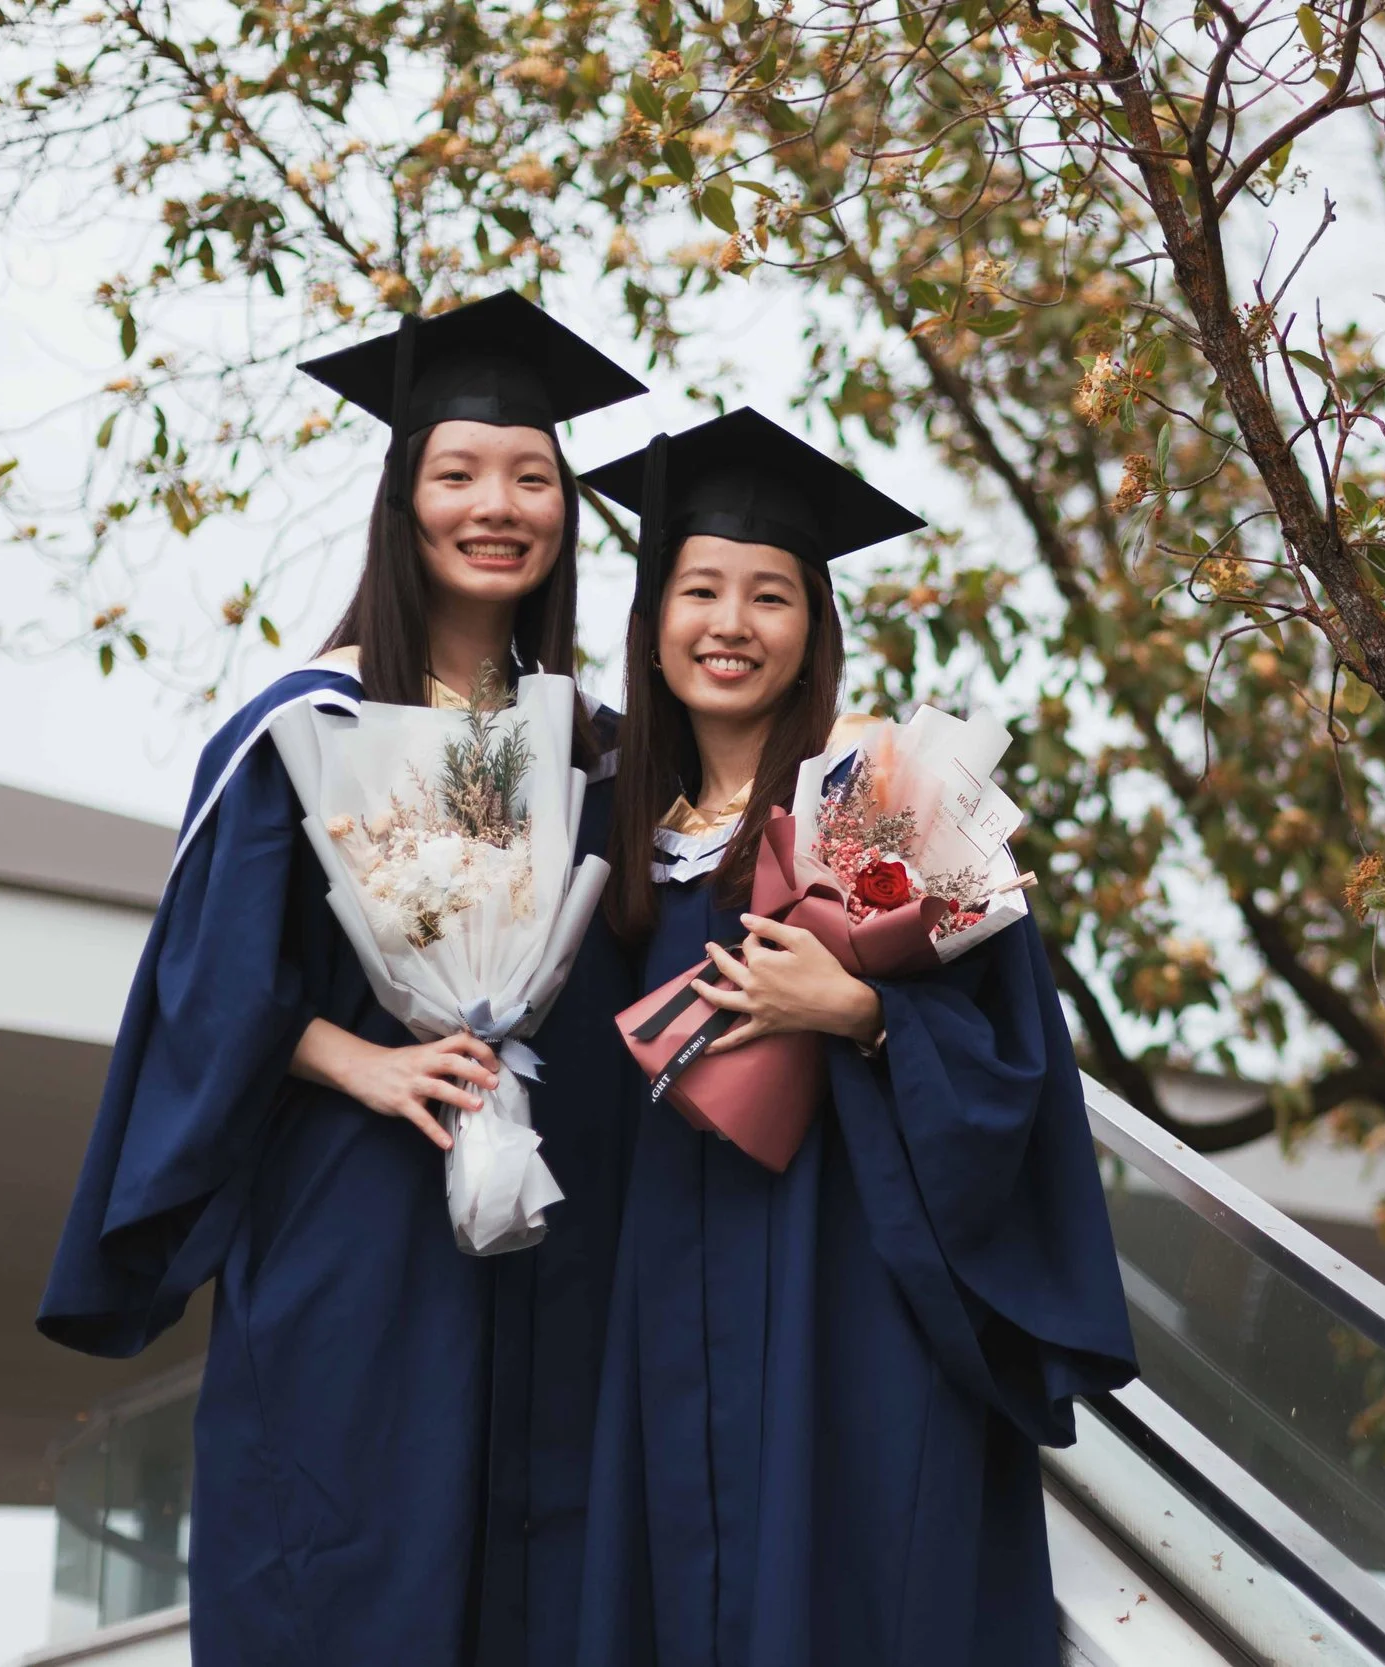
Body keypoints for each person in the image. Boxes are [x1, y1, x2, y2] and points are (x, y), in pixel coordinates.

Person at [37, 291, 649, 1667]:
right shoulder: (302, 725)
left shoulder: (597, 751)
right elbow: (210, 987)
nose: (499, 502)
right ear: (405, 499)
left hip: (562, 1231)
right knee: (350, 1559)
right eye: (460, 472)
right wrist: (363, 1057)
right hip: (356, 1221)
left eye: (533, 476)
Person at [572, 409, 1138, 1666]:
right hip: (649, 1303)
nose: (731, 624)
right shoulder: (603, 831)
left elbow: (1017, 1073)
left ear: (812, 627)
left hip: (845, 1305)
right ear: (652, 623)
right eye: (700, 590)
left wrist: (867, 1015)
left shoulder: (876, 805)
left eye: (769, 595)